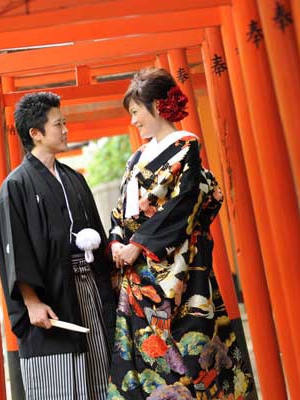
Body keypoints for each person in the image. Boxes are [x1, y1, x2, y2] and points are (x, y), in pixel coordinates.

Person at [107, 68, 254, 400]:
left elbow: (180, 205)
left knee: (192, 349)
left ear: (157, 106)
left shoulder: (186, 146)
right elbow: (121, 210)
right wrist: (116, 240)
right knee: (138, 355)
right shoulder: (136, 159)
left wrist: (139, 243)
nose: (133, 122)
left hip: (178, 270)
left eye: (136, 112)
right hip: (137, 275)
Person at [0, 92, 115, 400]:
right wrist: (31, 301)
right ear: (35, 133)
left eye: (65, 123)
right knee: (59, 380)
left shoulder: (74, 178)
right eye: (58, 124)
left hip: (87, 284)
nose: (65, 130)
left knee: (100, 361)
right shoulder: (15, 187)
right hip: (51, 292)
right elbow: (14, 248)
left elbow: (96, 231)